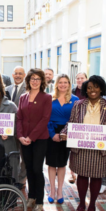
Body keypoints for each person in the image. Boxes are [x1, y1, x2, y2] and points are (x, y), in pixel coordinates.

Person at [60, 75, 106, 211]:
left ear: (101, 88)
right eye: (89, 87)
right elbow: (71, 122)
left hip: (100, 147)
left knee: (96, 177)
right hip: (82, 146)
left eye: (96, 87)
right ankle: (81, 204)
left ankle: (92, 205)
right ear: (86, 90)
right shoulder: (78, 104)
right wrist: (64, 132)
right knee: (82, 175)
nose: (93, 90)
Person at [17, 68, 52, 211]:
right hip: (24, 139)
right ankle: (31, 197)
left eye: (38, 79)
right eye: (32, 79)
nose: (35, 81)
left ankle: (39, 201)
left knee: (37, 169)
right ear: (28, 81)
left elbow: (45, 119)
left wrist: (31, 137)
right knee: (29, 168)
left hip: (39, 139)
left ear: (42, 81)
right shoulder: (23, 97)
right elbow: (19, 118)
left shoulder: (46, 97)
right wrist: (20, 136)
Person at [46, 74, 79, 204]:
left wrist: (66, 133)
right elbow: (45, 117)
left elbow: (76, 119)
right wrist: (52, 134)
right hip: (51, 132)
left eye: (65, 82)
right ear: (56, 84)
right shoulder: (49, 98)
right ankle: (52, 191)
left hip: (67, 134)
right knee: (51, 163)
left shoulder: (75, 99)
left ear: (69, 84)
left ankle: (60, 191)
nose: (63, 85)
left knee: (61, 163)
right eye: (60, 82)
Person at [6, 66, 27, 186]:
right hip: (8, 129)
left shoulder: (28, 89)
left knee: (23, 156)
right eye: (16, 73)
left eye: (20, 73)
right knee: (12, 154)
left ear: (24, 75)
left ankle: (22, 180)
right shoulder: (6, 89)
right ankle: (11, 177)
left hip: (22, 129)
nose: (18, 75)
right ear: (12, 75)